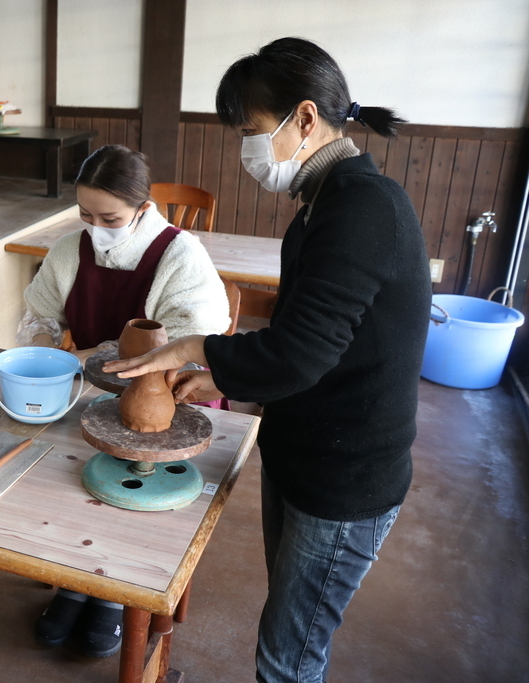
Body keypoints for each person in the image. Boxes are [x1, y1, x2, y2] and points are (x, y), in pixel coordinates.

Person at [105, 38, 432, 682]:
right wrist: (221, 376)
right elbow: (303, 345)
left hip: (346, 480)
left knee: (289, 654)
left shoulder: (365, 208)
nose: (245, 150)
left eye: (251, 131)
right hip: (304, 453)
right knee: (288, 627)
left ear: (304, 120)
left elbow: (298, 353)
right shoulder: (321, 206)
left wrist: (196, 347)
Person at [19, 144, 230, 658]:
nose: (96, 227)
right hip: (91, 393)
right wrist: (46, 349)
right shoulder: (71, 249)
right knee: (65, 477)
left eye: (109, 217)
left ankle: (117, 595)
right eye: (85, 215)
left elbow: (196, 350)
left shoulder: (180, 255)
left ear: (141, 208)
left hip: (170, 401)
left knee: (134, 482)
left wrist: (95, 354)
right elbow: (38, 318)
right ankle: (76, 582)